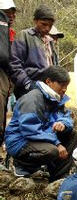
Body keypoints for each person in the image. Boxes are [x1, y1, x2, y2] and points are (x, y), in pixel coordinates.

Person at [5, 65, 77, 180]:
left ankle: (58, 175)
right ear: (48, 82)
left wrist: (62, 123)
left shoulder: (56, 98)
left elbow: (66, 116)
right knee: (52, 151)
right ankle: (21, 166)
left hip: (40, 136)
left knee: (73, 135)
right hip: (20, 141)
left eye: (66, 86)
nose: (64, 89)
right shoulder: (32, 99)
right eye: (61, 85)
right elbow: (29, 130)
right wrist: (57, 143)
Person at [10, 4, 57, 98]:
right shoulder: (24, 36)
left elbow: (54, 65)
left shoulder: (50, 41)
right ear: (35, 21)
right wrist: (27, 83)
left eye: (50, 26)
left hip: (48, 88)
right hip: (29, 88)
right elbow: (14, 63)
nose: (47, 28)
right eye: (44, 24)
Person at [0, 0, 15, 145]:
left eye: (13, 12)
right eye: (7, 12)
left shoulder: (9, 33)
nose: (11, 16)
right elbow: (4, 57)